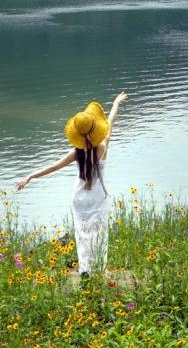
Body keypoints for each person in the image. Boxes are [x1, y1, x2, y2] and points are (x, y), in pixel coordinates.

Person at [15, 91, 128, 275]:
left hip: (80, 198)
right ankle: (99, 267)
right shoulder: (102, 147)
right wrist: (116, 103)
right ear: (96, 129)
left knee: (82, 233)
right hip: (98, 196)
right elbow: (110, 122)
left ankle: (85, 268)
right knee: (99, 232)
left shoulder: (76, 153)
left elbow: (52, 167)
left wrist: (30, 177)